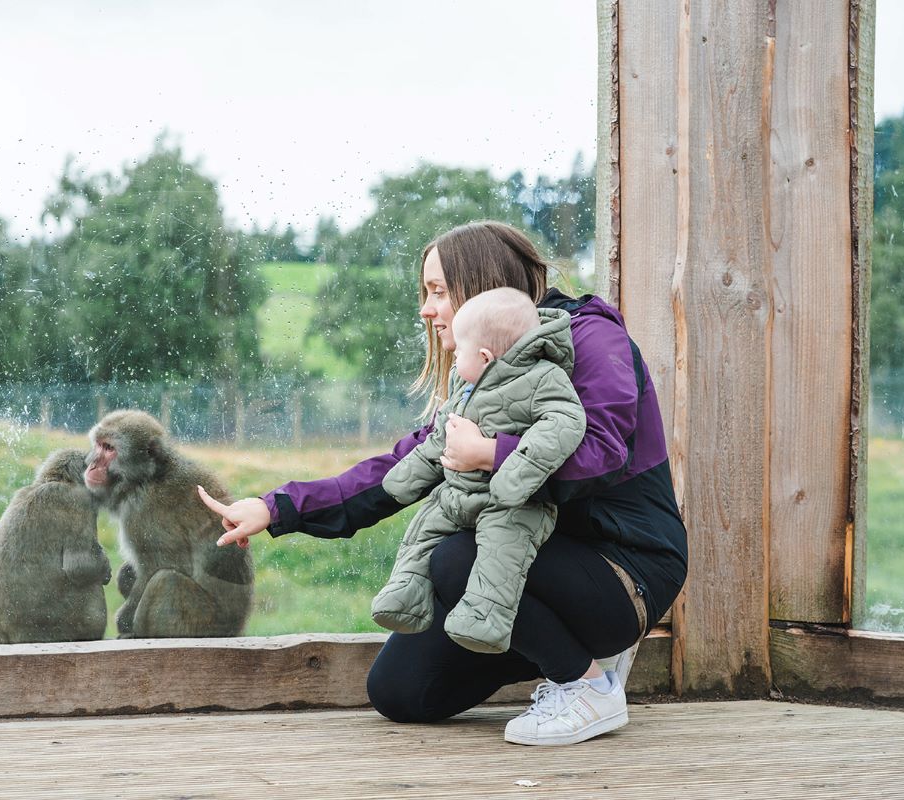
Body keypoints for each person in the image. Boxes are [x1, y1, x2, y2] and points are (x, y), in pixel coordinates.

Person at [198, 220, 688, 747]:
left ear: (479, 283)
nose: (426, 310)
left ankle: (587, 685)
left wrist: (491, 454)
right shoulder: (481, 375)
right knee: (401, 692)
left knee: (456, 557)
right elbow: (401, 467)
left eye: (437, 292)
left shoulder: (590, 337)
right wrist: (276, 509)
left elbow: (605, 453)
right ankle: (563, 647)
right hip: (525, 558)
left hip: (625, 566)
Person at [371, 287, 587, 656]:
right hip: (457, 493)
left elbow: (565, 422)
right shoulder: (465, 386)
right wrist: (406, 478)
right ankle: (405, 596)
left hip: (513, 504)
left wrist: (514, 471)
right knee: (424, 527)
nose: (453, 361)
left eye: (458, 354)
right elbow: (442, 437)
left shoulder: (542, 379)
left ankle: (485, 619)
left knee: (502, 554)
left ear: (485, 356)